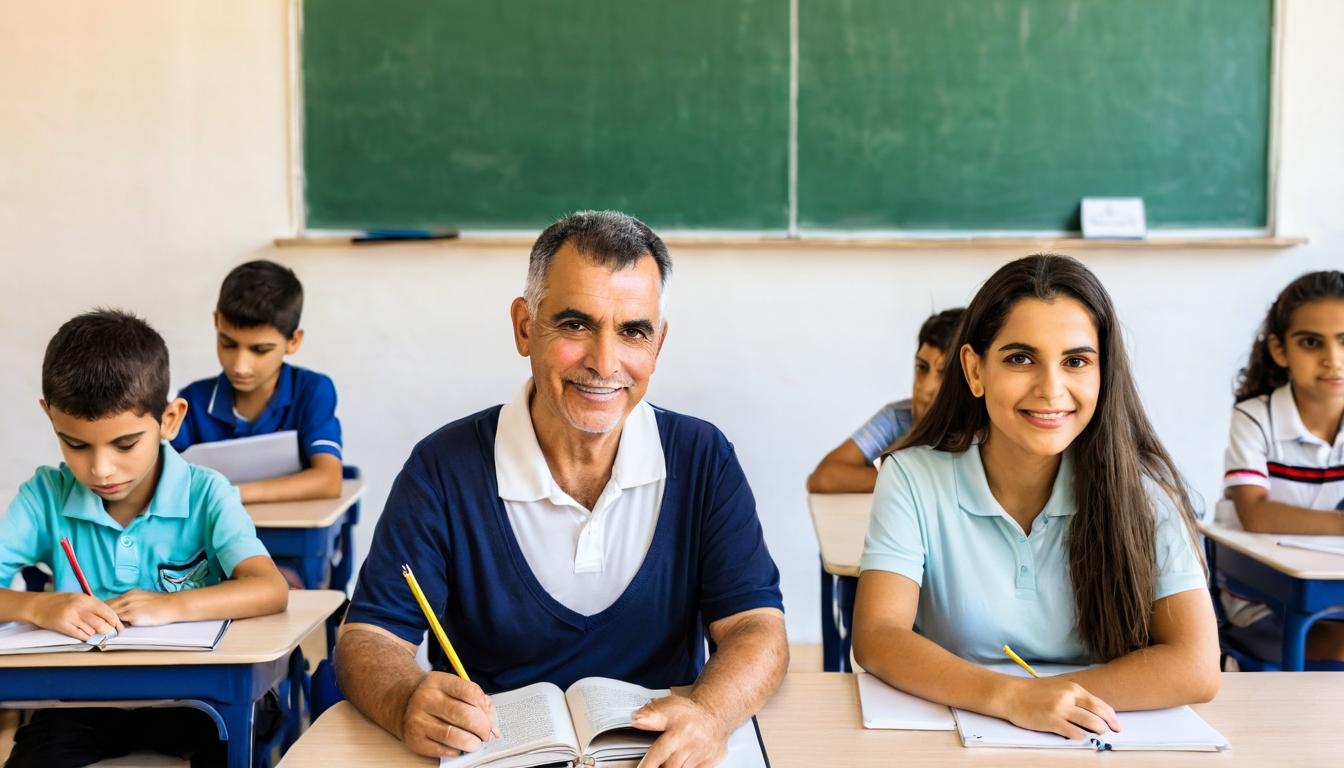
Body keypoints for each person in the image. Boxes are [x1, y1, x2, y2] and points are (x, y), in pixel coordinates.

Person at [335, 211, 787, 767]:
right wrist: (406, 697)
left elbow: (755, 626)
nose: (604, 362)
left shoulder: (703, 458)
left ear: (658, 343)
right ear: (525, 326)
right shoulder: (441, 468)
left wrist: (712, 715)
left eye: (633, 331)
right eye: (575, 325)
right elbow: (370, 637)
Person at [853, 254, 1219, 741]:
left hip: (1102, 739)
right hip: (959, 740)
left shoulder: (1145, 492)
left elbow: (1196, 666)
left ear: (1103, 373)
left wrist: (1050, 698)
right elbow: (879, 637)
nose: (1051, 388)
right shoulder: (912, 477)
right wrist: (1013, 698)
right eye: (1020, 359)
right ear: (975, 370)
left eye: (1076, 361)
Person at [0, 309, 289, 768]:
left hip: (196, 702)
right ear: (49, 415)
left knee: (237, 745)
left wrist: (170, 605)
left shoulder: (206, 493)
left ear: (169, 419)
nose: (100, 469)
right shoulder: (44, 497)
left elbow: (270, 589)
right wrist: (36, 606)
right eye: (75, 444)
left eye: (125, 444)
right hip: (86, 706)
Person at [1220, 270, 1344, 660]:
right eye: (1311, 342)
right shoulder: (1256, 417)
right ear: (1279, 350)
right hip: (1261, 602)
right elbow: (1254, 512)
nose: (1332, 359)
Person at [172, 260, 344, 503]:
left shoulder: (312, 391)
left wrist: (225, 495)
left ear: (293, 341)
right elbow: (164, 483)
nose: (240, 366)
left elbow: (328, 480)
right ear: (216, 322)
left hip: (290, 535)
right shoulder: (192, 401)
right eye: (228, 344)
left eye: (261, 350)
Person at [808, 307, 964, 493]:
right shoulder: (897, 419)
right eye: (922, 367)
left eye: (944, 373)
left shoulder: (983, 431)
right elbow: (823, 477)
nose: (926, 386)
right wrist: (902, 478)